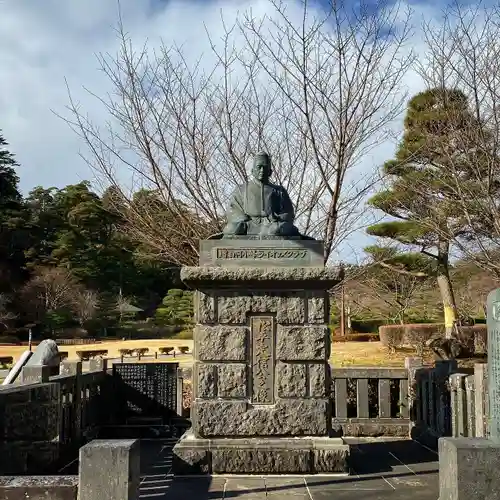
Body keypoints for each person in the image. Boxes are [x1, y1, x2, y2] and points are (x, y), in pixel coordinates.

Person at [222, 152, 300, 237]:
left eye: (265, 167)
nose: (262, 170)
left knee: (279, 229)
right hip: (247, 225)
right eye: (259, 167)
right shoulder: (241, 189)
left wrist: (278, 218)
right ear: (252, 170)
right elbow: (233, 209)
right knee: (232, 228)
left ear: (270, 171)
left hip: (271, 225)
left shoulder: (279, 191)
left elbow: (288, 212)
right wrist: (242, 219)